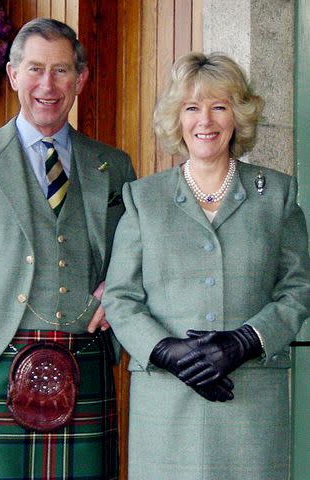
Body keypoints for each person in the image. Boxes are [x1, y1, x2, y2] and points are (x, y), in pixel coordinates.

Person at [0, 18, 135, 480]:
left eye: (61, 71)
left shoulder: (113, 166)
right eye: (35, 69)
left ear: (80, 80)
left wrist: (117, 284)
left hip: (84, 359)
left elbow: (134, 256)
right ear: (13, 74)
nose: (47, 84)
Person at [103, 52, 310, 479]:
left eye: (220, 106)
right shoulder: (143, 198)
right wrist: (165, 351)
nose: (206, 120)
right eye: (192, 107)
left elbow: (298, 289)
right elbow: (121, 298)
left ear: (239, 115)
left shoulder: (277, 194)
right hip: (166, 406)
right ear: (176, 119)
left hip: (251, 404)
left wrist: (246, 341)